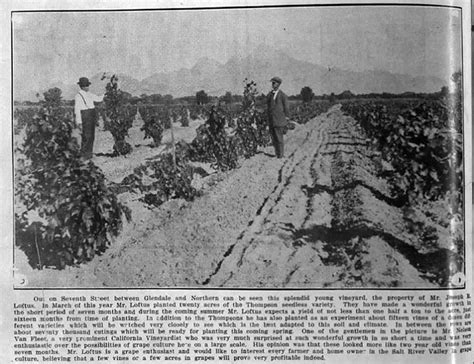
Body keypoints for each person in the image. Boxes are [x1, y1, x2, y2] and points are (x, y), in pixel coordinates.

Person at [74, 77, 104, 159]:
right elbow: (77, 110)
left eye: (87, 85)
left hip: (91, 114)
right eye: (86, 85)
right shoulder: (78, 96)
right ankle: (84, 154)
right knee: (86, 136)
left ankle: (89, 153)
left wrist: (105, 94)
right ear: (82, 86)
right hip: (85, 115)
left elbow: (98, 99)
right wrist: (79, 122)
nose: (87, 87)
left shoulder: (89, 94)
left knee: (91, 135)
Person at [267, 76, 289, 158]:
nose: (272, 84)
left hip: (279, 120)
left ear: (278, 84)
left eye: (274, 83)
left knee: (279, 138)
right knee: (274, 138)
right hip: (272, 120)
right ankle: (277, 154)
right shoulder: (269, 95)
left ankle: (281, 155)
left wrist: (287, 119)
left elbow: (286, 108)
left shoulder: (283, 95)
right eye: (272, 83)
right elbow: (267, 105)